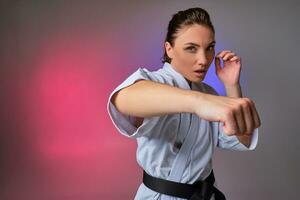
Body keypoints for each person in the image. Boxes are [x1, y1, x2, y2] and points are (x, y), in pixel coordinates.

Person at [107, 7, 261, 200]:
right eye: (191, 48)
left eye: (210, 48)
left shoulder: (209, 94)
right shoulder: (152, 82)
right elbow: (123, 100)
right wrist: (198, 102)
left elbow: (242, 138)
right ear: (169, 49)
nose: (203, 60)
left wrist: (232, 86)